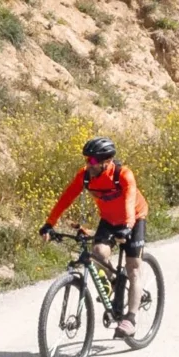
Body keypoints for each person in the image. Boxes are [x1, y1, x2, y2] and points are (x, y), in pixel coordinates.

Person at [40, 135, 148, 337]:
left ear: (106, 161)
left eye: (91, 160)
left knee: (133, 267)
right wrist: (49, 223)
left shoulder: (123, 175)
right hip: (108, 219)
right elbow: (65, 198)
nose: (87, 164)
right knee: (98, 253)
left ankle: (131, 318)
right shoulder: (85, 176)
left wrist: (127, 227)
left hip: (134, 218)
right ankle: (116, 281)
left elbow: (129, 201)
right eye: (86, 159)